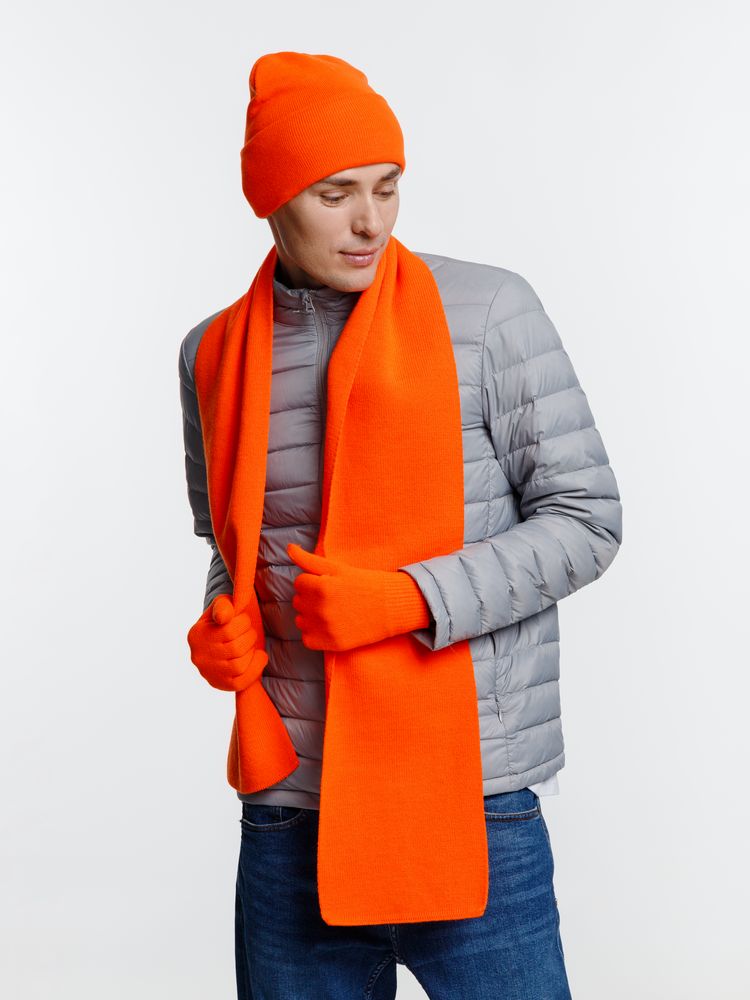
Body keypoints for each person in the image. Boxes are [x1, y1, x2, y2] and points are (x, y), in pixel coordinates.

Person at [178, 50, 622, 1000]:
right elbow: (232, 544)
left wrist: (409, 598)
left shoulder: (489, 312)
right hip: (292, 811)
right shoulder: (212, 352)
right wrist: (223, 624)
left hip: (473, 799)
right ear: (272, 198)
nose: (370, 221)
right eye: (335, 193)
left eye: (386, 187)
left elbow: (587, 520)